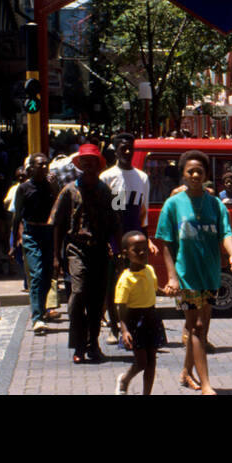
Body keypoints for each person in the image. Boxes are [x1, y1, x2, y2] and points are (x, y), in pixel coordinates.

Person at [156, 150, 232, 394]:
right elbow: (167, 244)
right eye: (190, 170)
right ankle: (206, 384)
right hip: (186, 275)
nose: (194, 174)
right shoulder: (172, 205)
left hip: (210, 274)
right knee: (197, 327)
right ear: (183, 173)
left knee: (201, 329)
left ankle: (185, 373)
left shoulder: (215, 204)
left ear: (205, 175)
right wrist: (172, 277)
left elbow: (225, 232)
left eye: (199, 171)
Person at [50, 144, 121, 364]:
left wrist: (118, 251)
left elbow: (115, 224)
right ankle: (78, 345)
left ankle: (93, 345)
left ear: (99, 166)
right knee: (79, 293)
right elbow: (57, 225)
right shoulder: (69, 191)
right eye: (85, 162)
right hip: (76, 248)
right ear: (79, 165)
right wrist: (55, 256)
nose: (88, 166)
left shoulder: (106, 191)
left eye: (93, 162)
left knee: (97, 299)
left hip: (99, 249)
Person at [101, 134, 149, 346]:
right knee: (115, 285)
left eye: (130, 148)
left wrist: (146, 242)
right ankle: (114, 327)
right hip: (115, 239)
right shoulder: (109, 177)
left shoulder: (142, 178)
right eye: (123, 148)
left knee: (135, 285)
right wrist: (110, 243)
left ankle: (131, 327)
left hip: (136, 239)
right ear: (115, 149)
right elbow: (112, 214)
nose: (127, 152)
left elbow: (142, 213)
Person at [11, 153, 57, 332]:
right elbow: (17, 215)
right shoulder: (23, 188)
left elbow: (59, 206)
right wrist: (14, 239)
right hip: (31, 234)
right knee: (36, 274)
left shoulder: (51, 186)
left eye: (46, 164)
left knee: (47, 275)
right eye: (40, 165)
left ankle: (42, 308)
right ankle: (37, 317)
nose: (44, 168)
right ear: (31, 168)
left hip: (48, 232)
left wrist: (55, 187)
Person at [114, 231, 162, 395]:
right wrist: (124, 329)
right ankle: (125, 379)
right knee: (142, 361)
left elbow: (154, 289)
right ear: (126, 253)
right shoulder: (126, 279)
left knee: (152, 361)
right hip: (135, 321)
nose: (142, 253)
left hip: (152, 318)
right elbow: (121, 307)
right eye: (137, 250)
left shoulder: (150, 270)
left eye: (144, 249)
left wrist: (168, 291)